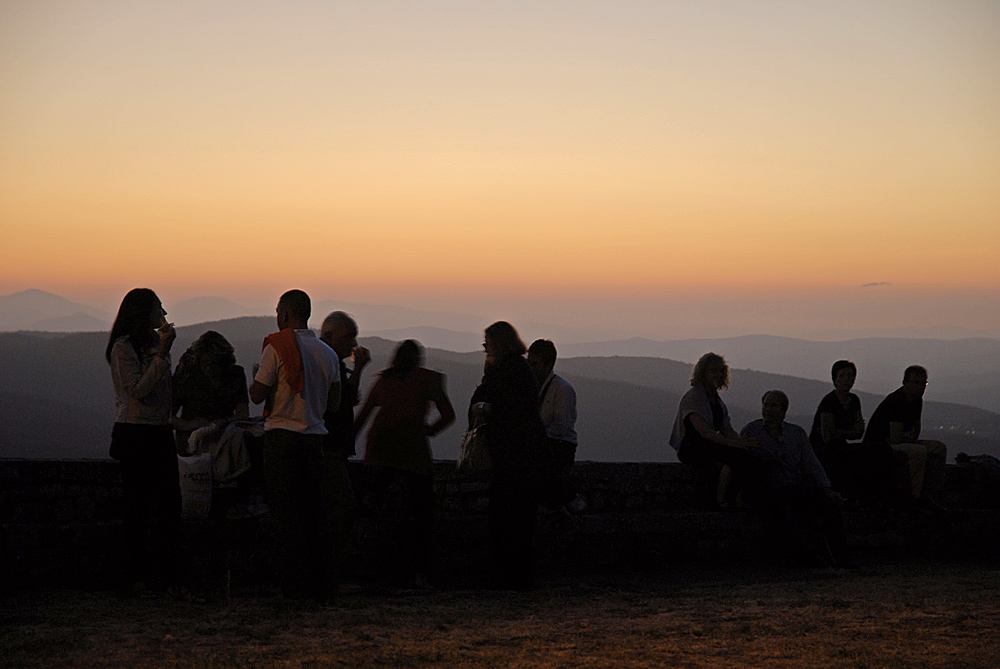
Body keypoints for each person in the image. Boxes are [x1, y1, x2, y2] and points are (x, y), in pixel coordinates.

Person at [249, 290, 341, 601]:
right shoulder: (328, 354)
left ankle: (293, 587)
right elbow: (336, 402)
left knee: (286, 515)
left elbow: (258, 395)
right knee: (316, 514)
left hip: (281, 439)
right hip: (314, 439)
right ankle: (323, 585)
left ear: (287, 314)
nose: (277, 317)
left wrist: (255, 378)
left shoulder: (276, 347)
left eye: (278, 312)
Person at [106, 288, 196, 600]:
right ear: (144, 313)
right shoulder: (123, 348)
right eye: (159, 308)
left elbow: (161, 391)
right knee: (138, 508)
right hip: (135, 432)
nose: (164, 315)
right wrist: (162, 356)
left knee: (171, 506)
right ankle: (135, 578)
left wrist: (176, 368)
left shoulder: (156, 346)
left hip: (158, 432)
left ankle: (169, 577)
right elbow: (137, 391)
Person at [353, 339, 455, 588]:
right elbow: (449, 415)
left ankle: (372, 571)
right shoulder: (428, 380)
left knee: (374, 512)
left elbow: (363, 417)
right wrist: (428, 430)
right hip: (413, 453)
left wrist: (346, 445)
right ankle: (418, 573)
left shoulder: (383, 381)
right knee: (422, 516)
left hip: (380, 451)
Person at [469, 321, 549, 590]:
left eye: (487, 344)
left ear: (499, 344)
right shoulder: (513, 369)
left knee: (510, 517)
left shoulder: (513, 369)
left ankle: (511, 575)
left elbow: (514, 409)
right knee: (512, 518)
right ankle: (513, 575)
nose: (485, 349)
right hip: (516, 455)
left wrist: (485, 407)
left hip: (517, 456)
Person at [742, 391, 851, 568]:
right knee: (783, 512)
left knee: (828, 505)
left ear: (784, 410)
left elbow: (811, 464)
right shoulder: (751, 431)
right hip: (769, 491)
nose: (768, 410)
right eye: (766, 405)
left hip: (794, 487)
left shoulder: (796, 434)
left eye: (774, 406)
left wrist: (826, 488)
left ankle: (843, 558)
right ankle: (807, 557)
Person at [319, 311, 371, 592]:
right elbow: (340, 404)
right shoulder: (329, 361)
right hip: (328, 447)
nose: (353, 343)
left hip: (326, 445)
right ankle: (333, 574)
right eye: (348, 336)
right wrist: (360, 369)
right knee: (342, 508)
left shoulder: (327, 359)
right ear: (328, 336)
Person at [668, 352, 762, 507]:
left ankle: (738, 498)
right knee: (735, 457)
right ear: (703, 373)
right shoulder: (694, 397)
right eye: (713, 371)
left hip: (709, 445)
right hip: (693, 447)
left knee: (746, 455)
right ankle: (721, 499)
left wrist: (743, 442)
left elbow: (727, 429)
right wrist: (735, 445)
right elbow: (704, 432)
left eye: (720, 371)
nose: (718, 375)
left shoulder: (715, 399)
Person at [864, 365, 948, 509]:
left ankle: (932, 493)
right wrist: (909, 438)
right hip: (879, 446)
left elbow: (916, 430)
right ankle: (914, 497)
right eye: (916, 383)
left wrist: (909, 438)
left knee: (939, 448)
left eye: (923, 383)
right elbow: (895, 438)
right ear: (905, 383)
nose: (920, 387)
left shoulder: (916, 401)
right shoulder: (897, 401)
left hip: (901, 442)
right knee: (919, 451)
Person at [526, 339, 583, 514]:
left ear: (548, 364)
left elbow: (562, 427)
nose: (531, 368)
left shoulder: (562, 389)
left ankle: (565, 501)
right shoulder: (534, 387)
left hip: (559, 445)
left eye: (535, 364)